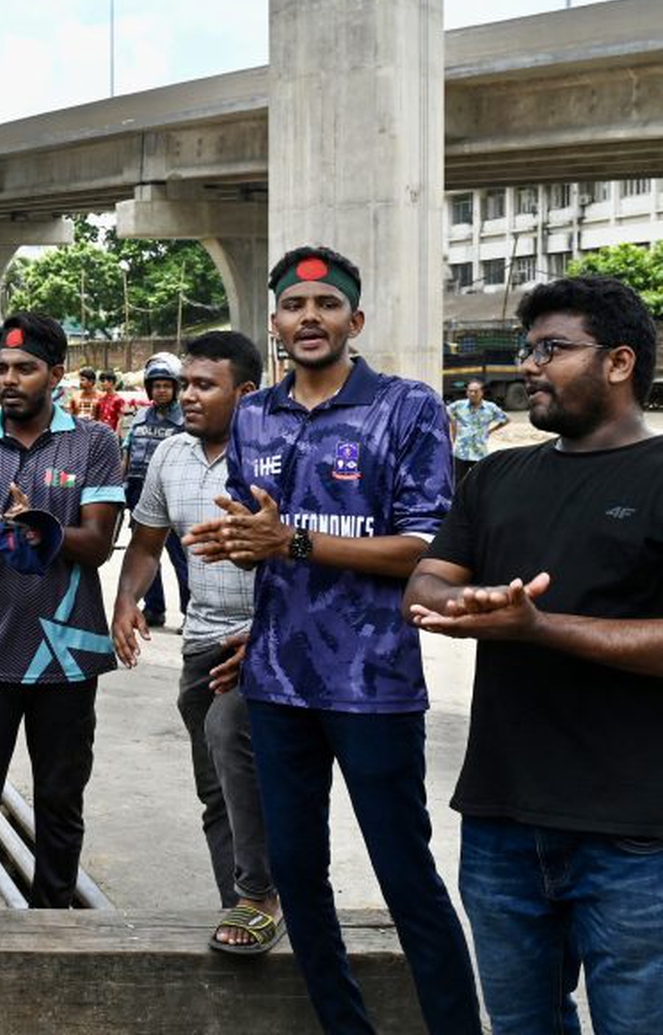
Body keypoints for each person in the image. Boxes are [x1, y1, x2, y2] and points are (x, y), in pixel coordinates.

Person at [186, 246, 479, 1035]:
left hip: (374, 683)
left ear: (356, 318)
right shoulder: (253, 415)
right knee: (297, 877)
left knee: (405, 875)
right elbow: (263, 541)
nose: (307, 318)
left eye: (325, 304)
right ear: (274, 322)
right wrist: (257, 587)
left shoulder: (407, 408)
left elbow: (423, 547)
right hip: (278, 684)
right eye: (292, 305)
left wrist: (291, 544)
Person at [405, 276, 663, 1035]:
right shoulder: (499, 476)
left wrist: (540, 628)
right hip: (501, 821)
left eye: (553, 348)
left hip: (635, 834)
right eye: (528, 348)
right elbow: (425, 580)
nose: (530, 364)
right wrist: (467, 605)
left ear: (619, 362)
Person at [0, 312, 125, 909]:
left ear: (57, 375)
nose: (10, 379)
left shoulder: (94, 442)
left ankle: (54, 927)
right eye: (2, 368)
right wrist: (7, 536)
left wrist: (39, 529)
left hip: (67, 657)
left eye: (26, 368)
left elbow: (96, 544)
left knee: (61, 802)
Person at [111, 331, 280, 954]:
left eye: (204, 385)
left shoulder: (275, 457)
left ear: (247, 393)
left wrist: (265, 636)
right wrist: (127, 600)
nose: (187, 396)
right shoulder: (171, 456)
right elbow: (148, 544)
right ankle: (239, 900)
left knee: (234, 748)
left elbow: (304, 559)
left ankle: (262, 892)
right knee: (216, 789)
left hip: (270, 644)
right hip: (202, 645)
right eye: (185, 384)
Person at [121, 352, 190, 629]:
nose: (161, 390)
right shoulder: (139, 417)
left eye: (166, 385)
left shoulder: (185, 418)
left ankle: (190, 612)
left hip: (173, 495)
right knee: (145, 554)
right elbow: (127, 452)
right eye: (156, 385)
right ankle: (154, 609)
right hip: (139, 492)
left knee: (181, 557)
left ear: (175, 388)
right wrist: (119, 485)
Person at [444, 380, 508, 490]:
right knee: (457, 483)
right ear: (467, 392)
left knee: (481, 483)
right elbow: (444, 411)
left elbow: (506, 419)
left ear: (482, 393)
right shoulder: (459, 405)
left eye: (476, 391)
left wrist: (490, 431)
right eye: (470, 391)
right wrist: (453, 423)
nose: (473, 394)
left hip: (480, 453)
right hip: (461, 453)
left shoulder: (490, 407)